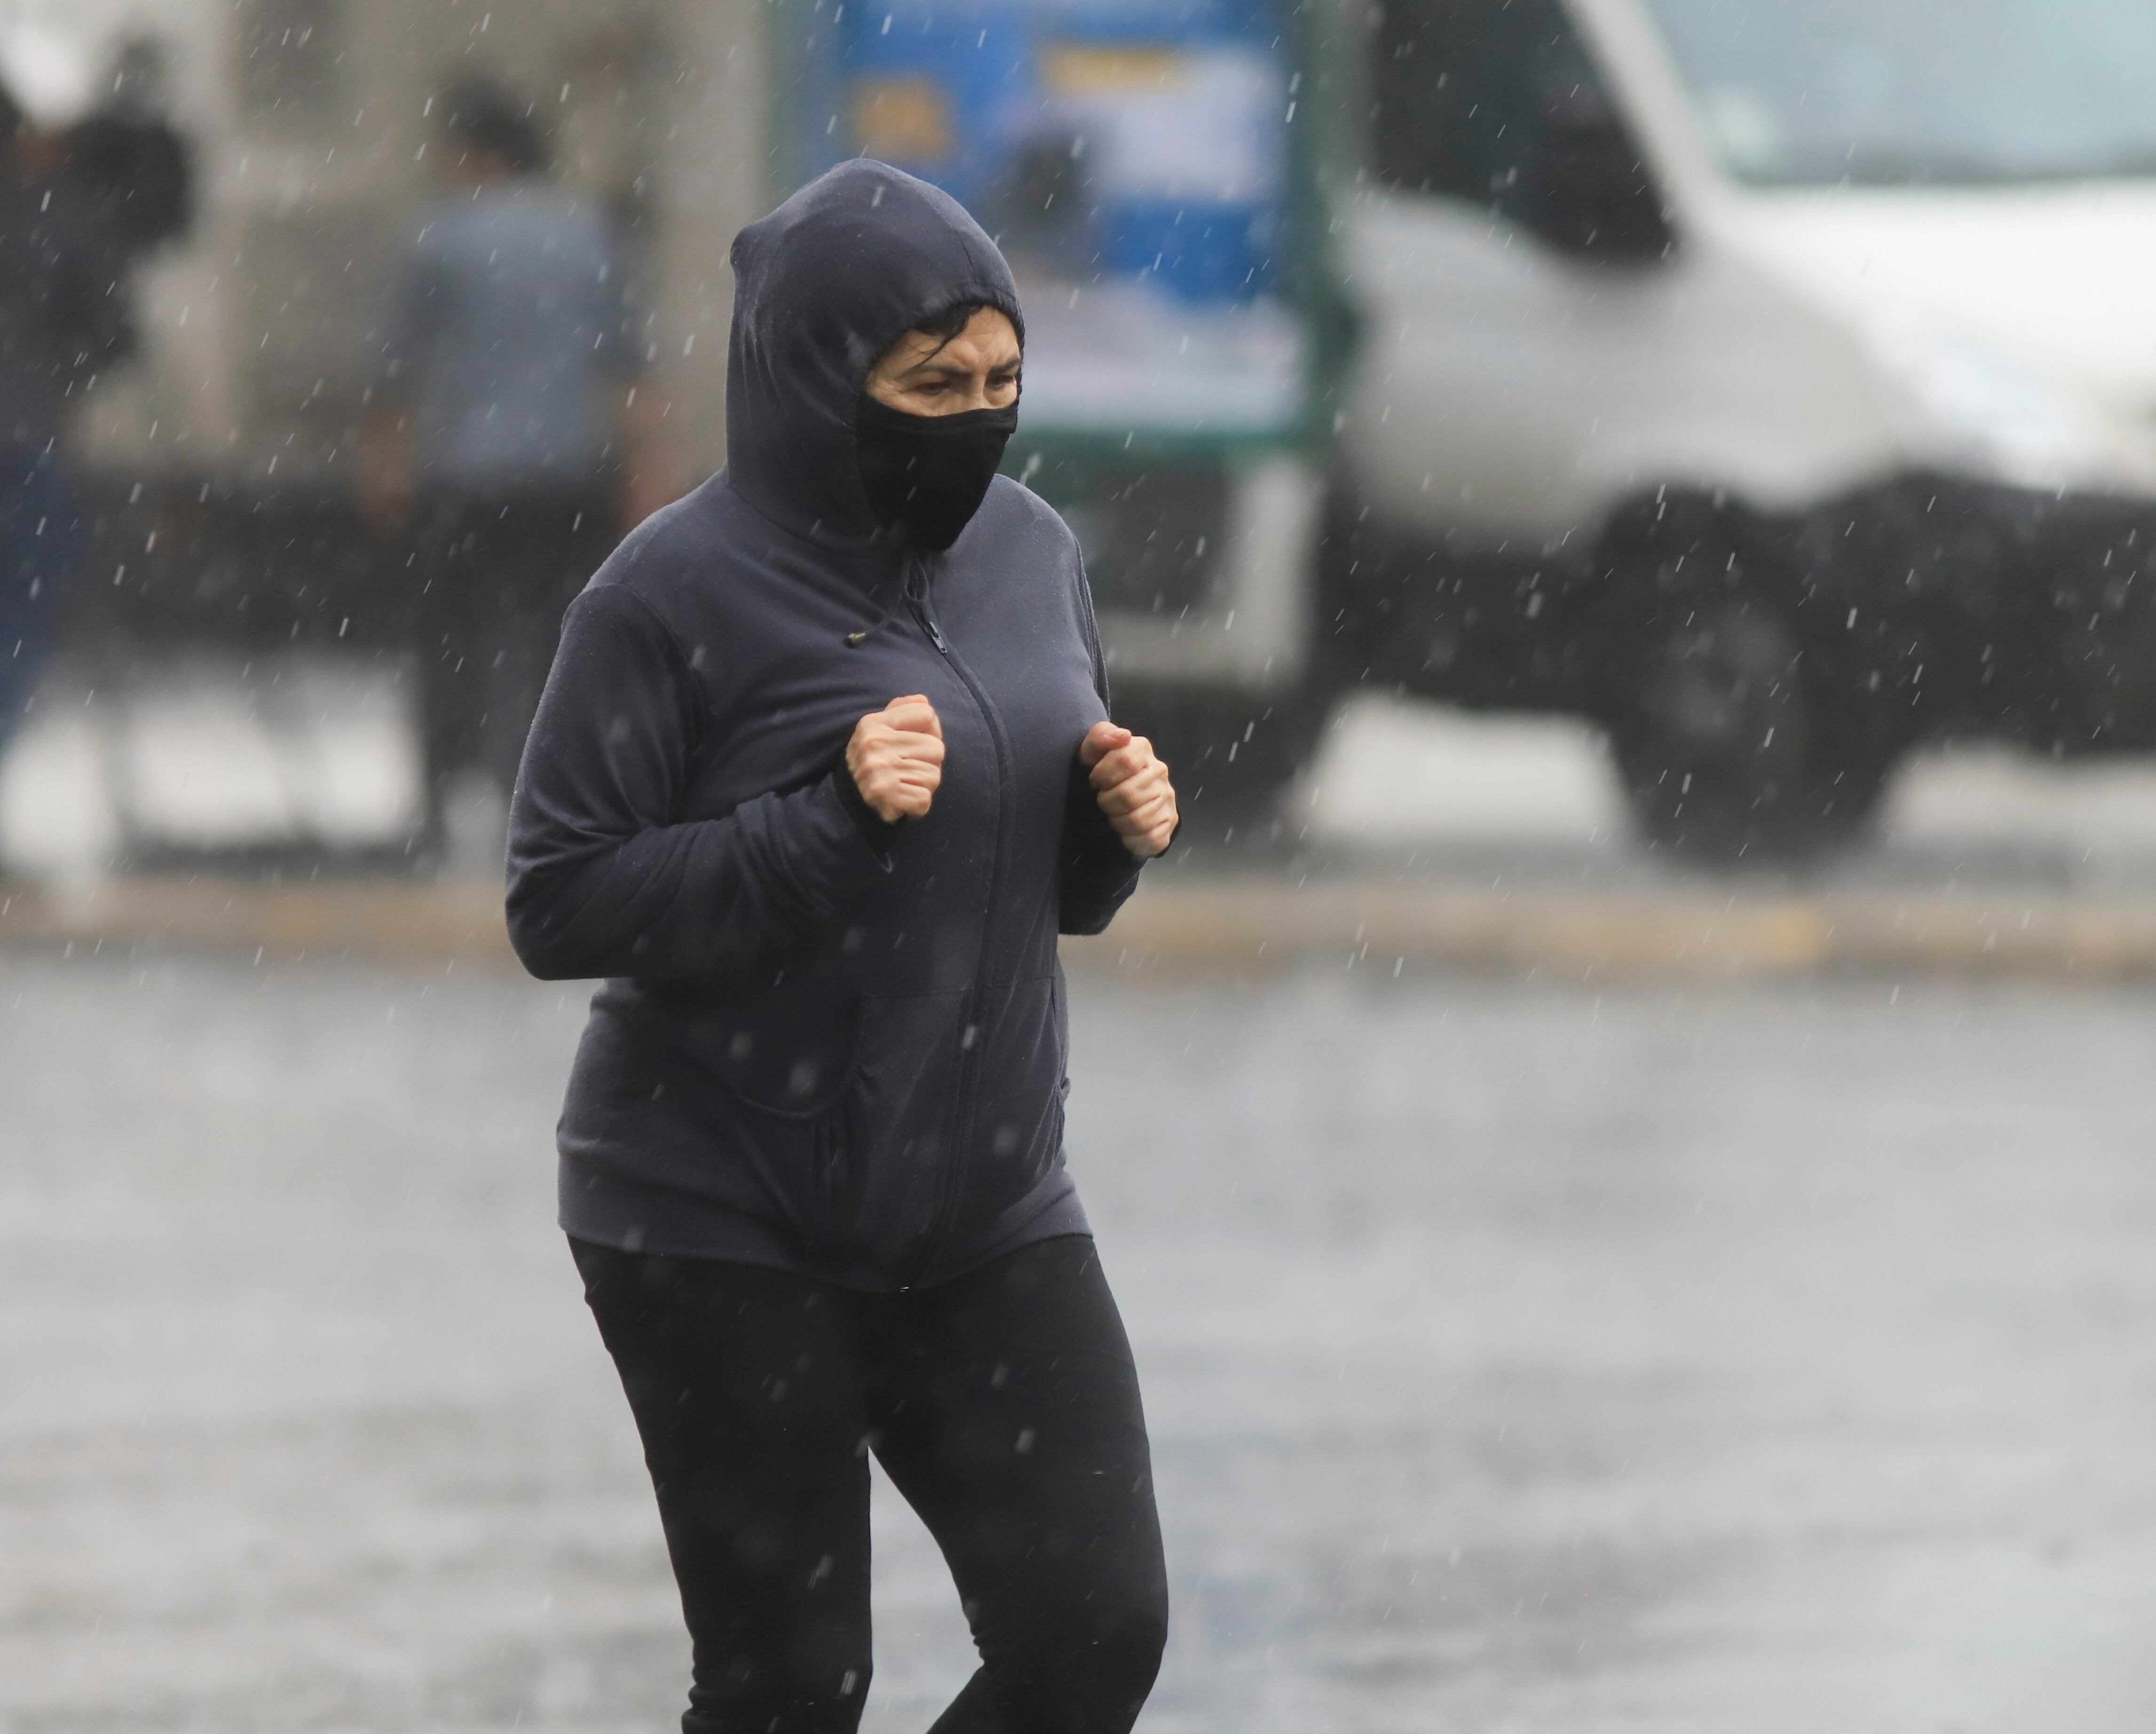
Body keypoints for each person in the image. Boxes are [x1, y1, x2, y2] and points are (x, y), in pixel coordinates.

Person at [506, 159, 1181, 1734]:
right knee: (790, 1687)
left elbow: (1032, 889)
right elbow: (559, 896)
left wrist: (1105, 835)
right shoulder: (668, 590)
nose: (975, 420)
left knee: (1093, 1632)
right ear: (818, 380)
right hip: (720, 1210)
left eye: (1001, 384)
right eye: (932, 387)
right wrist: (819, 821)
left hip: (986, 1203)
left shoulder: (1032, 553)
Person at [363, 75, 674, 867]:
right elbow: (628, 370)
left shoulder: (441, 237)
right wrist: (646, 471)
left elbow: (399, 367)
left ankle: (441, 802)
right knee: (554, 641)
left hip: (465, 476)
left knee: (450, 641)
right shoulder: (590, 238)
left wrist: (388, 462)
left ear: (474, 155)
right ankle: (543, 796)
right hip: (567, 477)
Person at [0, 81, 144, 755]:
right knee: (24, 603)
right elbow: (115, 331)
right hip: (31, 436)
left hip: (31, 432)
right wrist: (60, 377)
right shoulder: (58, 216)